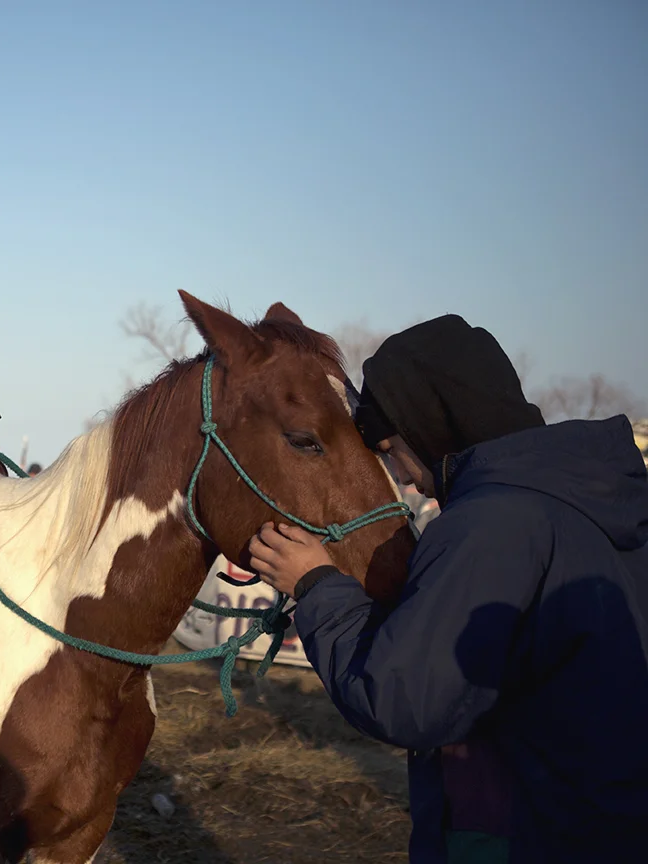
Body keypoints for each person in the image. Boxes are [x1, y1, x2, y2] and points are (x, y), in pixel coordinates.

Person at [249, 315, 648, 863]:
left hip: (521, 830)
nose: (403, 476)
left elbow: (401, 699)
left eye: (391, 448)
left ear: (431, 425)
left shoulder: (490, 525)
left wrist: (315, 585)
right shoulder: (600, 505)